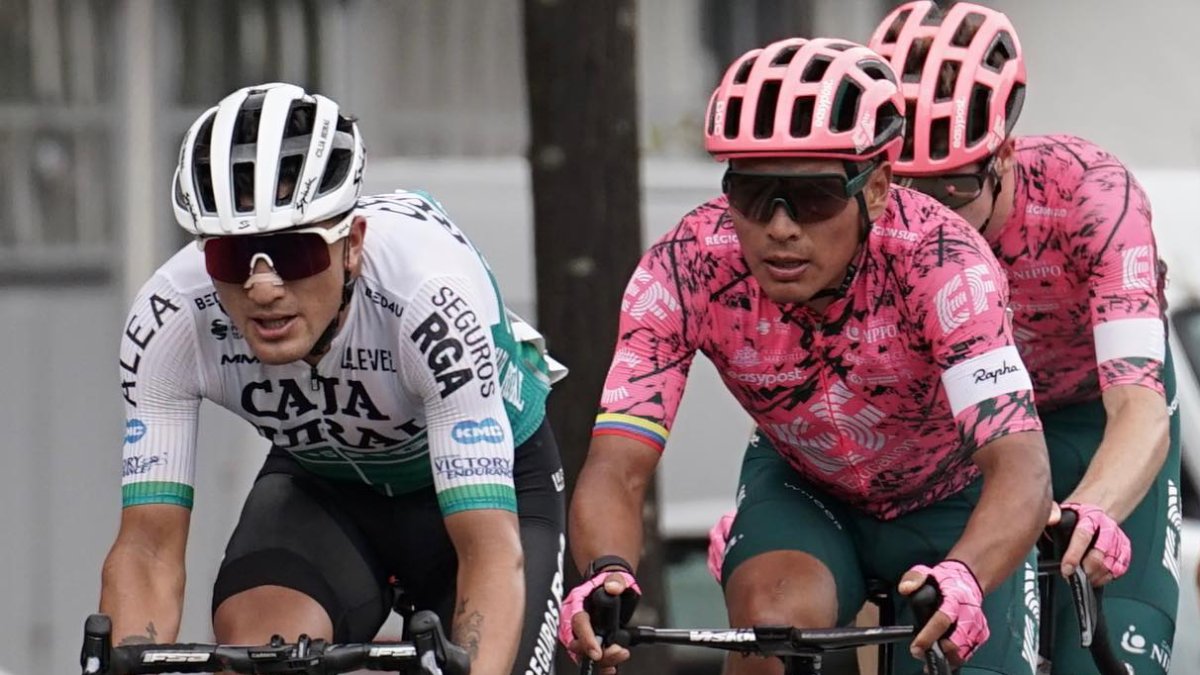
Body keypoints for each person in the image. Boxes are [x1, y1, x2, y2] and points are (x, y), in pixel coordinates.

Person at [558, 38, 1052, 675]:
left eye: (814, 197)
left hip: (954, 496)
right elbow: (617, 465)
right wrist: (607, 575)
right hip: (805, 487)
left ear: (875, 189)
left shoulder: (944, 264)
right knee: (770, 631)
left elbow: (1020, 467)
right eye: (754, 195)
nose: (781, 227)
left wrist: (965, 574)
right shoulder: (687, 265)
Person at [101, 82, 567, 675]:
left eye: (293, 255)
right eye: (230, 258)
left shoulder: (428, 300)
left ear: (352, 247)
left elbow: (488, 550)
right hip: (325, 485)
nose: (262, 288)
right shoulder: (171, 316)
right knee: (257, 656)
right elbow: (147, 547)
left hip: (488, 497)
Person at [865, 3, 1179, 672]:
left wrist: (1093, 509)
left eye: (951, 189)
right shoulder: (867, 230)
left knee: (1100, 654)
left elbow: (1140, 406)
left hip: (1097, 414)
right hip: (974, 438)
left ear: (1005, 152)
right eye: (905, 194)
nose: (927, 221)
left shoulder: (1090, 194)